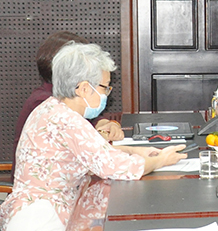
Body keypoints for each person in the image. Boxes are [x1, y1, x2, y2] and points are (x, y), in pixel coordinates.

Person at [0, 42, 186, 231]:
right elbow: (116, 167)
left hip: (41, 211)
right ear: (83, 88)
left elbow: (90, 152)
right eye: (105, 87)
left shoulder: (52, 108)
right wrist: (162, 160)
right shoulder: (67, 120)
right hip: (41, 219)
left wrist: (133, 150)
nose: (107, 93)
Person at [10, 32, 123, 182]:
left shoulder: (63, 98)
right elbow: (86, 145)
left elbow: (87, 121)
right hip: (45, 191)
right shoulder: (46, 102)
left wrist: (104, 124)